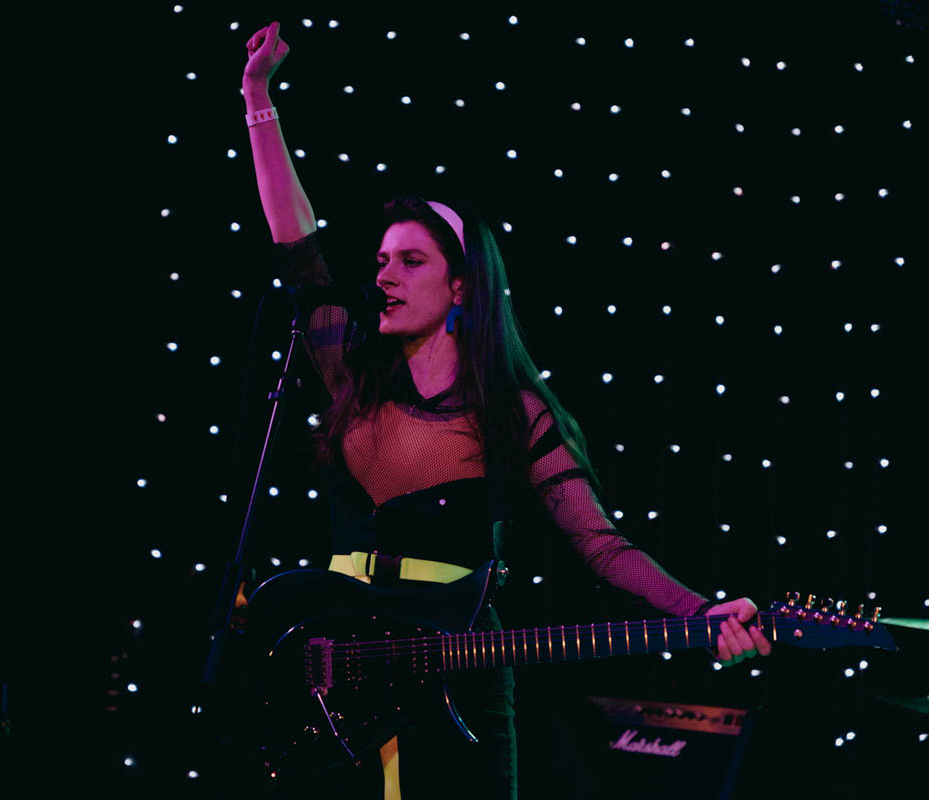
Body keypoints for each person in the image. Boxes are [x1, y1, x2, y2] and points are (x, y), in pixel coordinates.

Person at [238, 20, 772, 800]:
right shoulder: (350, 372)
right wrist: (258, 98)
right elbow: (297, 246)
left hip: (457, 674)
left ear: (462, 286)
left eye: (410, 261)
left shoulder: (514, 413)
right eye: (381, 260)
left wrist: (704, 613)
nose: (383, 275)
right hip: (335, 666)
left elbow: (600, 545)